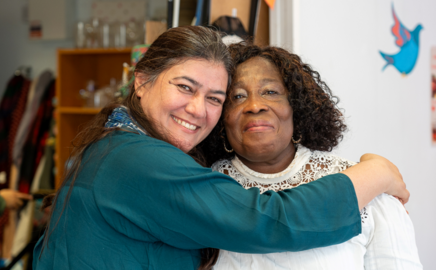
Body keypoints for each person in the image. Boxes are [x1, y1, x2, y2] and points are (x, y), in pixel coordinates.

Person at [33, 26, 408, 270]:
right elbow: (268, 221)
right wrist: (378, 172)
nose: (198, 109)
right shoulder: (138, 161)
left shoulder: (123, 147)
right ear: (142, 82)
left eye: (214, 97)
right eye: (185, 87)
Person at [200, 43, 422, 269]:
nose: (255, 106)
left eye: (270, 92)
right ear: (220, 116)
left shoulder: (371, 191)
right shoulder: (199, 189)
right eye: (237, 96)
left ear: (296, 107)